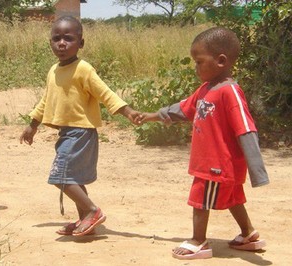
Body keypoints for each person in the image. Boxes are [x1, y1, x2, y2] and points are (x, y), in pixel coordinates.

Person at [138, 27, 269, 259]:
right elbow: (182, 109)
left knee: (200, 198)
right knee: (233, 198)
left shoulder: (230, 92)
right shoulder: (206, 90)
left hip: (217, 164)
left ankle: (199, 241)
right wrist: (151, 115)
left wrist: (257, 172)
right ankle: (248, 234)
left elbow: (246, 130)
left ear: (220, 61)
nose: (196, 67)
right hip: (213, 162)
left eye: (199, 62)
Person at [20, 16, 140, 236]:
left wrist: (128, 111)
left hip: (81, 133)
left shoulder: (83, 69)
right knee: (73, 178)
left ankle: (93, 211)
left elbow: (105, 93)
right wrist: (32, 125)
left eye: (69, 38)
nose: (62, 43)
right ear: (50, 43)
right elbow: (46, 100)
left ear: (80, 43)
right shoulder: (53, 70)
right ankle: (86, 220)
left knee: (61, 177)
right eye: (56, 39)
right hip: (67, 133)